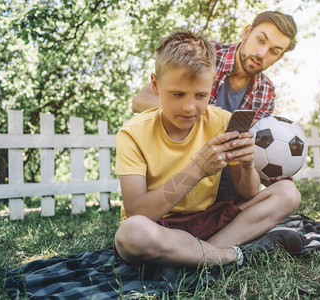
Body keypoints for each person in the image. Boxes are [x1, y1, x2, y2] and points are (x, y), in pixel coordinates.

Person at [114, 31, 302, 273]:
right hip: (159, 227)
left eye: (201, 96)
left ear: (210, 89)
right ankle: (228, 256)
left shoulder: (222, 121)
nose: (189, 107)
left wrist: (246, 165)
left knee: (288, 192)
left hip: (209, 221)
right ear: (155, 85)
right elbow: (137, 213)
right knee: (131, 234)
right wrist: (197, 169)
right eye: (177, 94)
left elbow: (248, 192)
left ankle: (195, 256)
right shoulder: (132, 134)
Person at [131, 11, 298, 202]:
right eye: (260, 40)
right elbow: (139, 101)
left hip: (230, 177)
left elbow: (255, 150)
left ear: (279, 57)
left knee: (288, 192)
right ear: (247, 33)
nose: (262, 53)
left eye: (273, 51)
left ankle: (224, 222)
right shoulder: (204, 55)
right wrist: (202, 115)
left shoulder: (266, 91)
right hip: (181, 171)